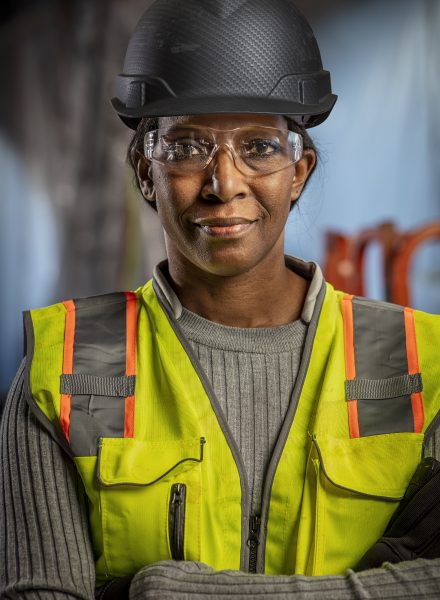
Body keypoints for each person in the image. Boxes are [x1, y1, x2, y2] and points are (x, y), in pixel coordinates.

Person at [1, 1, 440, 599]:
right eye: (186, 148)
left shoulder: (418, 362)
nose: (224, 182)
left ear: (300, 171)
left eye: (259, 146)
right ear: (143, 171)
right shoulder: (70, 366)